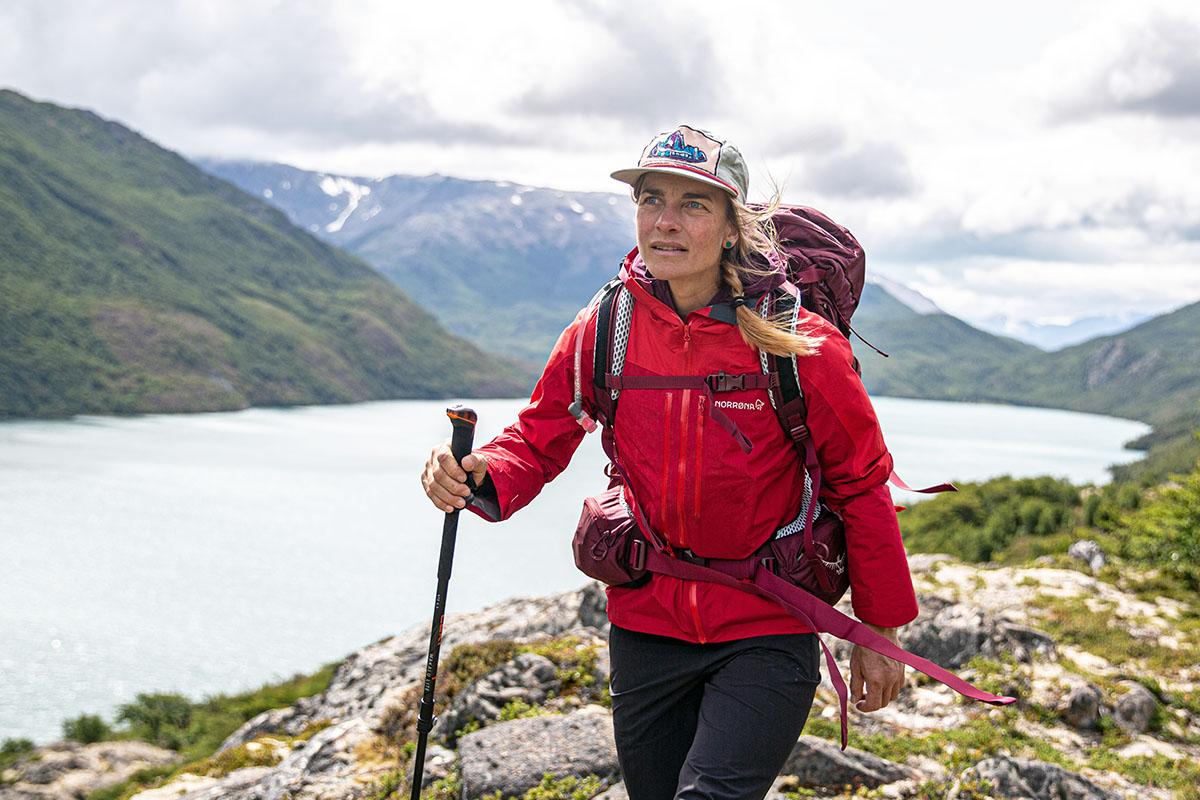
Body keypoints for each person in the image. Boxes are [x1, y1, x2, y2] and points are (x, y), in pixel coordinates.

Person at [421, 125, 918, 800]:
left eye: (693, 205)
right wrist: (480, 473)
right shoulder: (605, 327)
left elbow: (861, 486)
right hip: (646, 621)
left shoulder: (801, 344)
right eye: (651, 199)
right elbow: (540, 436)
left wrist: (879, 629)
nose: (665, 221)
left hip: (767, 620)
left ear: (732, 224)